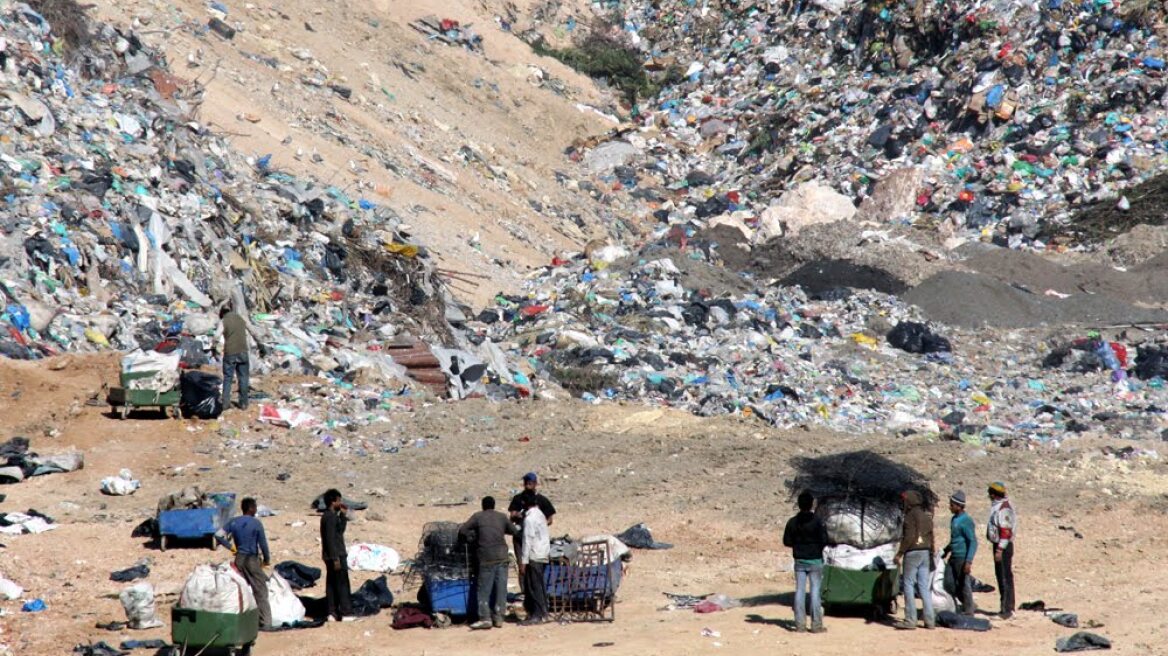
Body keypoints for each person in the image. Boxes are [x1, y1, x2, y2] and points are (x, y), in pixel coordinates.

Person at [460, 496, 518, 630]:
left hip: (486, 557)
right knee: (501, 589)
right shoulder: (502, 517)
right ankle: (499, 618)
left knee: (484, 589)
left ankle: (485, 618)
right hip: (502, 556)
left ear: (483, 506)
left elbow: (463, 530)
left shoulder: (478, 516)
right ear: (494, 505)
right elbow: (514, 531)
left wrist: (472, 538)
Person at [215, 497, 271, 629]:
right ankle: (266, 622)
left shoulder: (234, 522)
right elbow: (263, 544)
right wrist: (267, 560)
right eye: (255, 507)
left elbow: (218, 535)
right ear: (251, 508)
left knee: (241, 588)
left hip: (239, 559)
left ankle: (242, 619)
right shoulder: (256, 523)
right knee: (260, 590)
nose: (256, 509)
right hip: (251, 559)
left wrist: (231, 547)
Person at [508, 472, 555, 616]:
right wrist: (517, 516)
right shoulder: (518, 498)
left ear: (535, 483)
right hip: (520, 539)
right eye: (526, 481)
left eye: (531, 481)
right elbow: (512, 515)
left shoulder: (541, 501)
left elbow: (550, 519)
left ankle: (537, 609)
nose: (528, 483)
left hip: (534, 542)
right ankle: (526, 595)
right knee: (523, 570)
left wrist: (538, 526)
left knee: (532, 570)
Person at [782, 491, 828, 634]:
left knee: (799, 591)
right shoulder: (818, 522)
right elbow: (825, 540)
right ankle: (816, 625)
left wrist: (798, 545)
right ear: (811, 504)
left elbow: (787, 541)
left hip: (799, 561)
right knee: (815, 592)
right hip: (815, 560)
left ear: (799, 504)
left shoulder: (792, 522)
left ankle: (800, 625)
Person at [893, 490, 935, 630]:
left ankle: (910, 620)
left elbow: (909, 537)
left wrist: (899, 553)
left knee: (908, 585)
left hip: (912, 553)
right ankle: (930, 620)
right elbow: (931, 537)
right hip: (925, 552)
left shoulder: (910, 516)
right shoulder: (926, 516)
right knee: (924, 586)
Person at [320, 489, 353, 621]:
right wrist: (335, 558)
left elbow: (339, 532)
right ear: (333, 502)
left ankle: (332, 612)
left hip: (333, 555)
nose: (340, 502)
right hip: (336, 555)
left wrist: (343, 516)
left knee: (332, 584)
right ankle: (345, 612)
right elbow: (330, 539)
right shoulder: (329, 517)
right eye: (339, 500)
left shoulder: (332, 516)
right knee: (342, 584)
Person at [942, 490, 977, 616]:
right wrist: (946, 550)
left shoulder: (966, 521)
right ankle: (967, 603)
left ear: (959, 506)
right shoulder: (954, 520)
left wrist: (968, 561)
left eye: (952, 505)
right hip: (953, 556)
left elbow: (972, 542)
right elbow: (955, 539)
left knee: (964, 584)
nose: (950, 507)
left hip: (962, 558)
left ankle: (969, 610)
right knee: (948, 583)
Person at [986, 481, 1017, 619]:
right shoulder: (999, 506)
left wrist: (999, 549)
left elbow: (1005, 531)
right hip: (1001, 545)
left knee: (1003, 577)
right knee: (1005, 576)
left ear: (993, 494)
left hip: (1002, 547)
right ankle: (1009, 607)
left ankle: (1006, 611)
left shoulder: (1003, 509)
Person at [219, 306, 259, 410]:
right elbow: (253, 331)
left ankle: (225, 403)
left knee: (228, 378)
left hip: (230, 353)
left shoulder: (224, 321)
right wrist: (260, 344)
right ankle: (244, 403)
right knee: (243, 377)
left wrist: (214, 347)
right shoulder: (241, 318)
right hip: (243, 352)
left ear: (222, 313)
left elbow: (215, 335)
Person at [518, 496, 550, 626]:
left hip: (534, 554)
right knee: (540, 584)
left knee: (533, 585)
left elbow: (527, 540)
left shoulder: (530, 519)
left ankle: (537, 615)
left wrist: (523, 561)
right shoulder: (540, 514)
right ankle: (543, 612)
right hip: (543, 552)